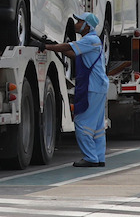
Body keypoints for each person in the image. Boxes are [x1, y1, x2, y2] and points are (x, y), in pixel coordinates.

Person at [37, 12, 108, 167]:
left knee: (82, 123)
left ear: (86, 25)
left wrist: (46, 46)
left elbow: (68, 47)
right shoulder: (93, 41)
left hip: (92, 87)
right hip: (98, 86)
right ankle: (99, 157)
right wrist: (53, 47)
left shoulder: (90, 40)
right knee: (96, 126)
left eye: (79, 21)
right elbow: (72, 53)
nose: (75, 24)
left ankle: (90, 158)